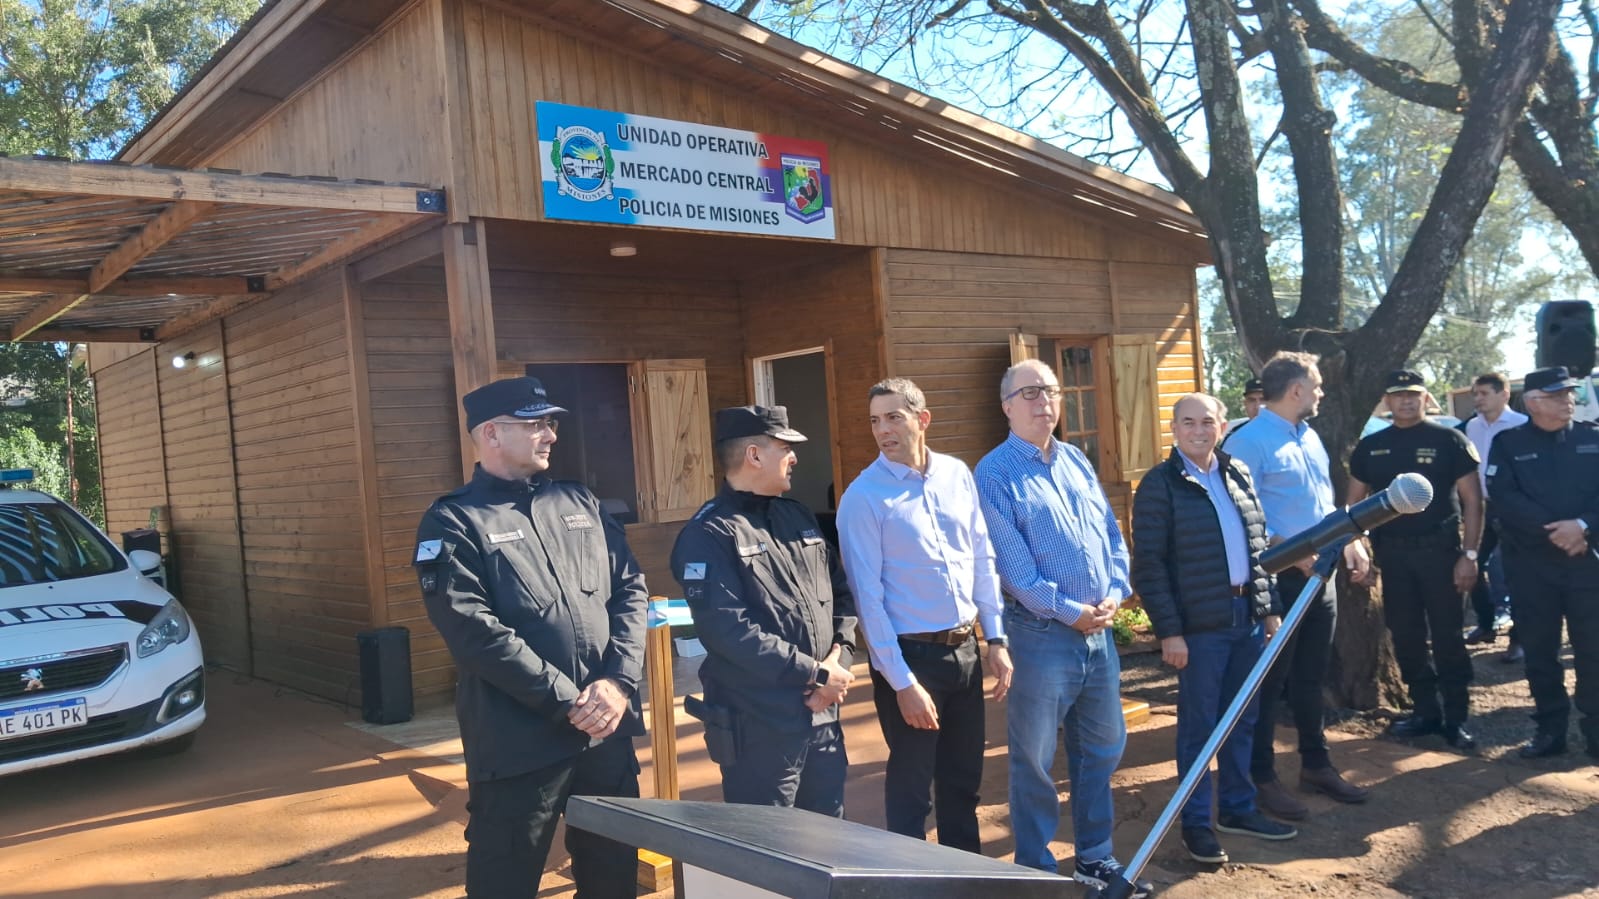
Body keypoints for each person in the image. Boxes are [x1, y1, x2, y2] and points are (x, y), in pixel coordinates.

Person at [413, 376, 648, 899]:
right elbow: (471, 629)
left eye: (550, 423)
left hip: (604, 733)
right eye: (535, 424)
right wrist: (569, 701)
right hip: (518, 741)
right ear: (492, 433)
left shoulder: (580, 502)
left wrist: (618, 683)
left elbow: (631, 589)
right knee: (506, 880)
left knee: (613, 878)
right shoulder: (453, 520)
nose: (550, 435)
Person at [974, 359, 1152, 898]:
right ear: (1006, 407)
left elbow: (1111, 535)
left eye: (1050, 391)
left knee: (1102, 749)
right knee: (1033, 758)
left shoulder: (1076, 459)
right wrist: (1068, 610)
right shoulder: (994, 473)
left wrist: (1117, 591)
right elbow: (1013, 567)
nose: (1043, 401)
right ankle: (1034, 869)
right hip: (1041, 634)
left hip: (1098, 634)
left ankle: (1094, 859)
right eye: (1029, 393)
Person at [836, 378, 1014, 852]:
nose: (883, 430)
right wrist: (901, 682)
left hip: (967, 652)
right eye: (875, 420)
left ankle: (966, 881)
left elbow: (981, 556)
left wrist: (995, 639)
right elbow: (866, 599)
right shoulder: (863, 497)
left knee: (962, 784)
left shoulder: (957, 475)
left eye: (894, 417)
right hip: (910, 659)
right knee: (912, 791)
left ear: (923, 419)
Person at [671, 405, 859, 813]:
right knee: (769, 856)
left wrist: (838, 659)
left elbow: (841, 596)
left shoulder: (799, 517)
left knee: (829, 843)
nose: (795, 457)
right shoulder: (709, 534)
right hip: (759, 731)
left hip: (823, 716)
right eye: (785, 447)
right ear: (754, 455)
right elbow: (728, 631)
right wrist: (816, 673)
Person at [1132, 393, 1293, 865]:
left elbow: (1260, 546)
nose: (1198, 431)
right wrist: (1170, 631)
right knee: (1201, 729)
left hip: (1245, 621)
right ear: (1175, 430)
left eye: (1207, 422)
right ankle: (1197, 823)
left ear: (1223, 426)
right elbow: (1150, 566)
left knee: (1243, 720)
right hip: (1198, 629)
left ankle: (1239, 809)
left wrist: (1268, 610)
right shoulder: (1160, 485)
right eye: (1188, 423)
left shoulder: (1237, 473)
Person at [1223, 351, 1372, 819]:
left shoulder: (1309, 437)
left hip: (1320, 577)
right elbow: (1240, 518)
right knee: (1270, 682)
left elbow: (1324, 502)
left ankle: (1315, 764)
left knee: (1311, 676)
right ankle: (1261, 776)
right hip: (1277, 584)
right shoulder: (1247, 441)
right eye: (1318, 385)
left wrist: (1350, 540)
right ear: (1295, 391)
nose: (1322, 392)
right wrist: (1292, 552)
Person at [1347, 370, 1481, 751]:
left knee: (1448, 637)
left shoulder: (1450, 440)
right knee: (1405, 636)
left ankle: (1456, 719)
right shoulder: (1371, 447)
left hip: (1441, 555)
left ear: (1426, 399)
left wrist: (1469, 555)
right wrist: (1362, 552)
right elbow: (1352, 508)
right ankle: (1424, 712)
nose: (1406, 401)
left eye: (1413, 395)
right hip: (1393, 555)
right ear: (1386, 401)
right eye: (1398, 395)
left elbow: (1473, 501)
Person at [1485, 366, 1599, 760]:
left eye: (1569, 394)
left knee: (1593, 649)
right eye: (1557, 395)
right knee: (1539, 650)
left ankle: (1596, 732)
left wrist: (1582, 526)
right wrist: (1557, 531)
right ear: (1532, 403)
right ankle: (1550, 731)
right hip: (1532, 566)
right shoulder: (1508, 443)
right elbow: (1503, 495)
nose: (1568, 400)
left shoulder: (1592, 438)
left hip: (1588, 563)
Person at [1463, 372, 1527, 659]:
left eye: (1484, 393)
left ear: (1504, 394)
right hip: (1479, 507)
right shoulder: (1468, 428)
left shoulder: (1522, 425)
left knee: (1517, 571)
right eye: (1475, 394)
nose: (1478, 399)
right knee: (1470, 563)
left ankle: (1519, 638)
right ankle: (1486, 624)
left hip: (1513, 508)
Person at [1221, 377, 1265, 447]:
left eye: (1263, 400)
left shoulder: (1283, 432)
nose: (1257, 406)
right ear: (1245, 403)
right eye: (1252, 400)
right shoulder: (1235, 435)